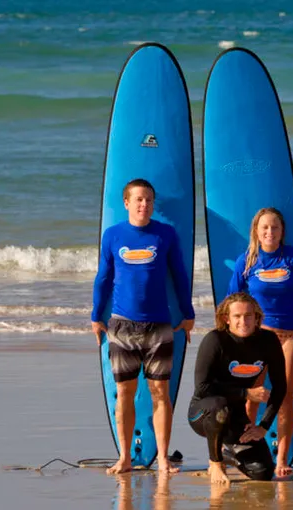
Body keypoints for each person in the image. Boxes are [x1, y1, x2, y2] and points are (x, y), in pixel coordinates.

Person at [91, 178, 195, 475]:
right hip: (122, 325)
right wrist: (96, 315)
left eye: (148, 199)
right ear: (126, 203)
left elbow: (179, 275)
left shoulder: (165, 234)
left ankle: (162, 458)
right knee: (125, 393)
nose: (144, 204)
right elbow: (103, 278)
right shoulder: (113, 235)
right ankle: (125, 457)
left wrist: (187, 314)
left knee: (161, 392)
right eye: (138, 199)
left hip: (159, 325)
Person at [227, 207, 293, 477]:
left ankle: (282, 459)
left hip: (289, 335)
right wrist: (232, 333)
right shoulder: (247, 260)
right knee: (252, 397)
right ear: (256, 231)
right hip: (257, 338)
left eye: (275, 227)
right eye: (264, 227)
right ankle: (244, 450)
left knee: (285, 397)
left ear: (282, 231)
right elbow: (233, 297)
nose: (269, 232)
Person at [188, 292, 287, 484]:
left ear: (256, 317)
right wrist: (246, 393)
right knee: (219, 405)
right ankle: (215, 462)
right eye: (237, 316)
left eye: (248, 315)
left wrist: (263, 426)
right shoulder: (215, 340)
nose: (244, 321)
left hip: (234, 416)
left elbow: (280, 386)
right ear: (226, 319)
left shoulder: (268, 341)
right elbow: (202, 388)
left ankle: (227, 454)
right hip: (202, 414)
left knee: (263, 472)